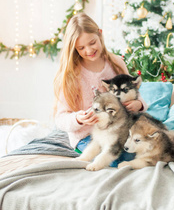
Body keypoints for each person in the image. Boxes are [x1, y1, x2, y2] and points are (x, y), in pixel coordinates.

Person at [54, 12, 147, 166]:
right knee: (118, 159)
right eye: (81, 48)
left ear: (100, 35)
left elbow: (135, 93)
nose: (89, 50)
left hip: (118, 129)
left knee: (145, 147)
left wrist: (139, 105)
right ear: (74, 49)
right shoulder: (71, 75)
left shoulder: (116, 63)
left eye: (92, 43)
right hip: (88, 136)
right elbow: (60, 119)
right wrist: (78, 119)